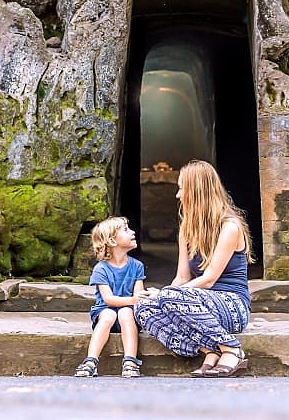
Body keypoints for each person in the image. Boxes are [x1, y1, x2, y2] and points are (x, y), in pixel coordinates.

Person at [133, 160, 253, 378]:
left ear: (198, 191)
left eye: (182, 188)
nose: (178, 195)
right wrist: (160, 298)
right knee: (143, 308)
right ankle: (209, 350)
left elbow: (208, 280)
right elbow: (181, 277)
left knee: (169, 296)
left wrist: (168, 295)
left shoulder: (230, 227)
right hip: (195, 303)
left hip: (232, 305)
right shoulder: (187, 229)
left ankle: (232, 349)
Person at [74, 216, 152, 378]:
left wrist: (141, 298)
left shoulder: (136, 266)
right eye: (125, 230)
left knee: (126, 312)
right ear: (112, 241)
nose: (132, 232)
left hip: (128, 313)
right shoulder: (101, 269)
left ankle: (130, 361)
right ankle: (91, 361)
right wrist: (133, 299)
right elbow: (108, 299)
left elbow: (138, 296)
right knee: (109, 314)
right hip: (105, 310)